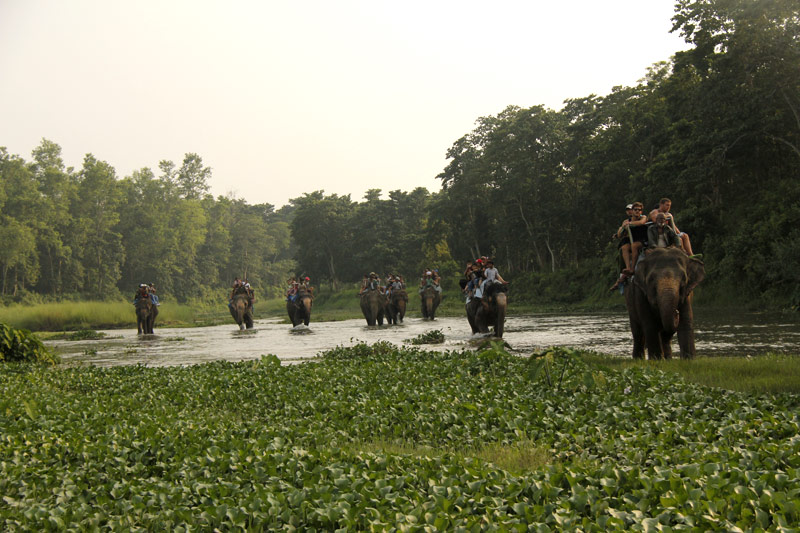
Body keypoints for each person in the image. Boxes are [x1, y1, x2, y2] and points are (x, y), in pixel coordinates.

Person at [609, 202, 648, 291]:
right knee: (624, 248)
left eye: (639, 210)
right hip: (631, 242)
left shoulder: (643, 217)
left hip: (641, 241)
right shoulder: (626, 221)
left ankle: (632, 268)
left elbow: (642, 222)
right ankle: (628, 268)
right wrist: (623, 227)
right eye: (635, 210)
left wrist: (629, 224)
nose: (637, 211)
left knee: (634, 245)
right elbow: (620, 233)